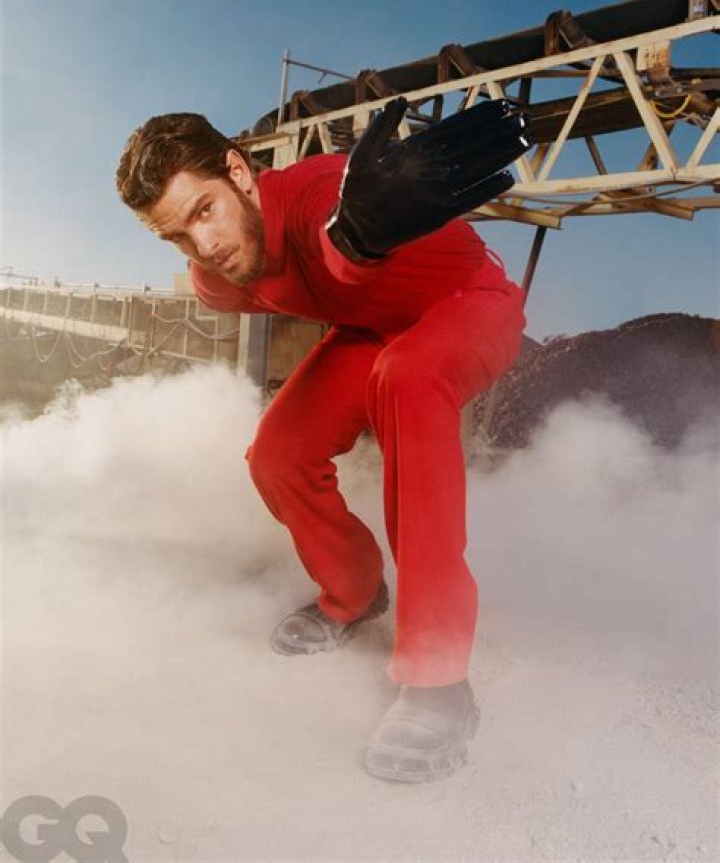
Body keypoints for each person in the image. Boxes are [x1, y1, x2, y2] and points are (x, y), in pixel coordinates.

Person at [116, 98, 531, 783]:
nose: (204, 245)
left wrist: (358, 240)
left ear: (239, 173)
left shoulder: (324, 190)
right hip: (373, 330)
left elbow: (333, 246)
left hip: (469, 301)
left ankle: (438, 680)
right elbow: (321, 287)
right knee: (277, 455)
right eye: (178, 236)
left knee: (407, 378)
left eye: (205, 211)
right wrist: (348, 271)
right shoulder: (216, 282)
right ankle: (355, 593)